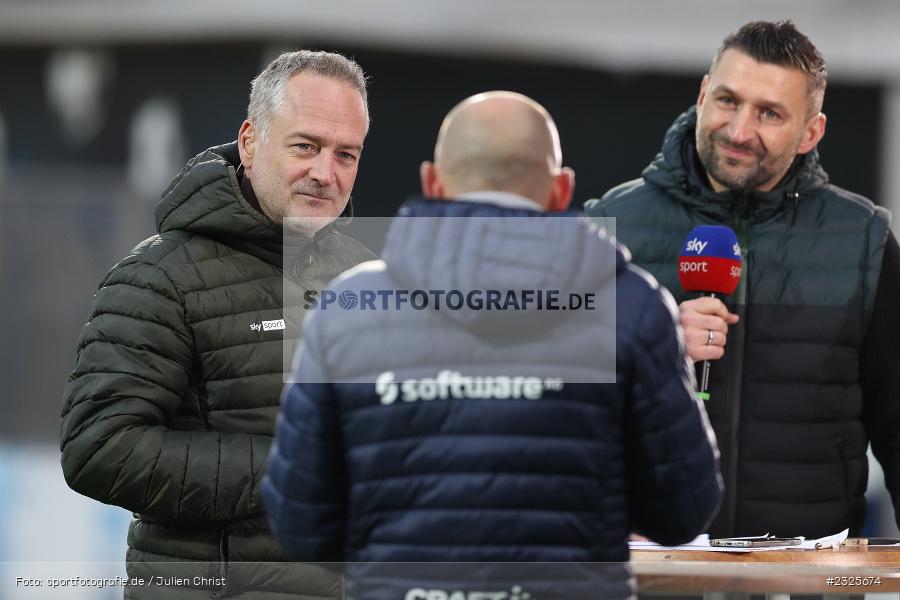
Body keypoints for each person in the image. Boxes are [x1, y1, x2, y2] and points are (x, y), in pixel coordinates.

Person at [262, 91, 722, 598]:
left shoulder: (345, 309)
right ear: (561, 189)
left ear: (432, 183)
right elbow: (684, 511)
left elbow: (301, 524)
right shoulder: (634, 307)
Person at [60, 50, 376, 599]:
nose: (326, 173)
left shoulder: (364, 276)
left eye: (346, 154)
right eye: (306, 146)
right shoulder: (157, 276)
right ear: (251, 141)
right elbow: (98, 448)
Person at [586, 20, 900, 539]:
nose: (738, 130)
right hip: (648, 571)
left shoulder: (863, 241)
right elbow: (546, 388)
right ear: (704, 93)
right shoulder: (608, 225)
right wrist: (646, 342)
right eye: (728, 100)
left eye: (770, 113)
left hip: (808, 577)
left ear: (810, 132)